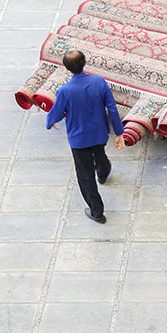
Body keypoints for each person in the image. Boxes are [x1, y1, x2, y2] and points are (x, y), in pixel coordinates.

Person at [45, 50, 123, 224]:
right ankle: (103, 172)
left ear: (66, 68)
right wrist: (119, 133)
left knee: (85, 176)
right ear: (84, 62)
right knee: (100, 153)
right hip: (99, 133)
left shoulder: (64, 91)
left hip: (79, 139)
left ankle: (97, 211)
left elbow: (57, 112)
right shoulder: (99, 82)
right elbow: (112, 108)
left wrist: (50, 121)